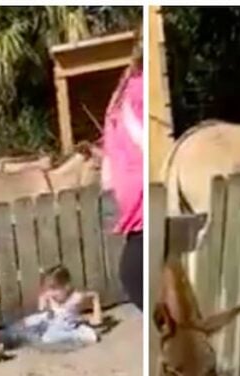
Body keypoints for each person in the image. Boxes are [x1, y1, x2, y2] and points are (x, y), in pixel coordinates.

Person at [102, 32, 144, 311]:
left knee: (134, 275)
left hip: (145, 207)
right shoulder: (129, 89)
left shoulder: (136, 89)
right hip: (137, 214)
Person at [0, 265, 103, 349]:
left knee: (50, 337)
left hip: (66, 327)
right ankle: (3, 341)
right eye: (49, 289)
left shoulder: (76, 297)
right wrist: (43, 301)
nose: (51, 293)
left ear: (67, 286)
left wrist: (96, 312)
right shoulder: (50, 297)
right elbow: (42, 309)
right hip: (49, 320)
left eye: (54, 289)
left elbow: (94, 295)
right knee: (24, 323)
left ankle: (24, 339)